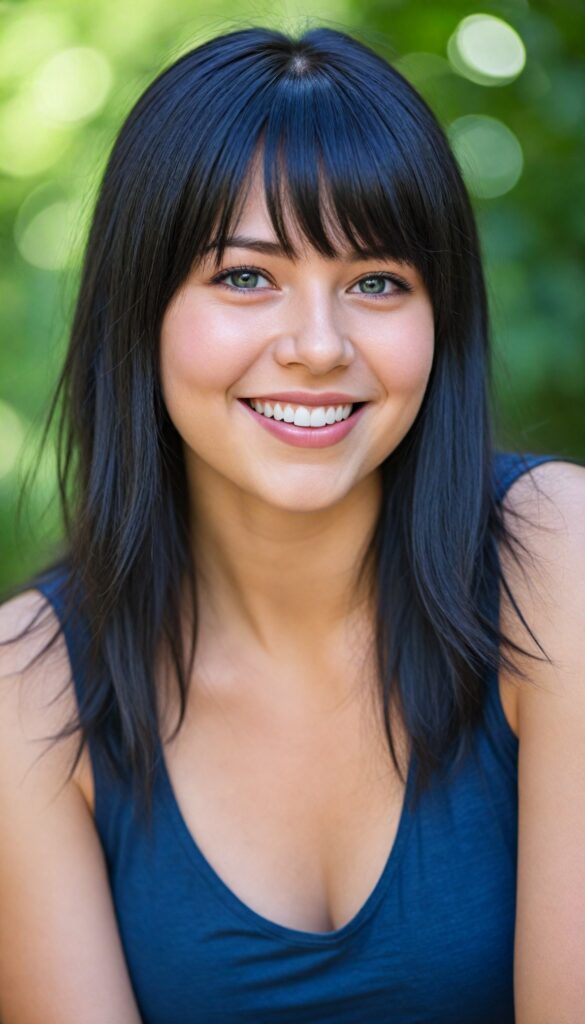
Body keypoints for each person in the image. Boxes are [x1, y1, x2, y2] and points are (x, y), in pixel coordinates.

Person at [0, 24, 583, 1024]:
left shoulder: (555, 557)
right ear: (140, 311)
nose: (318, 345)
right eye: (245, 277)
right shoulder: (26, 689)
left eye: (377, 283)